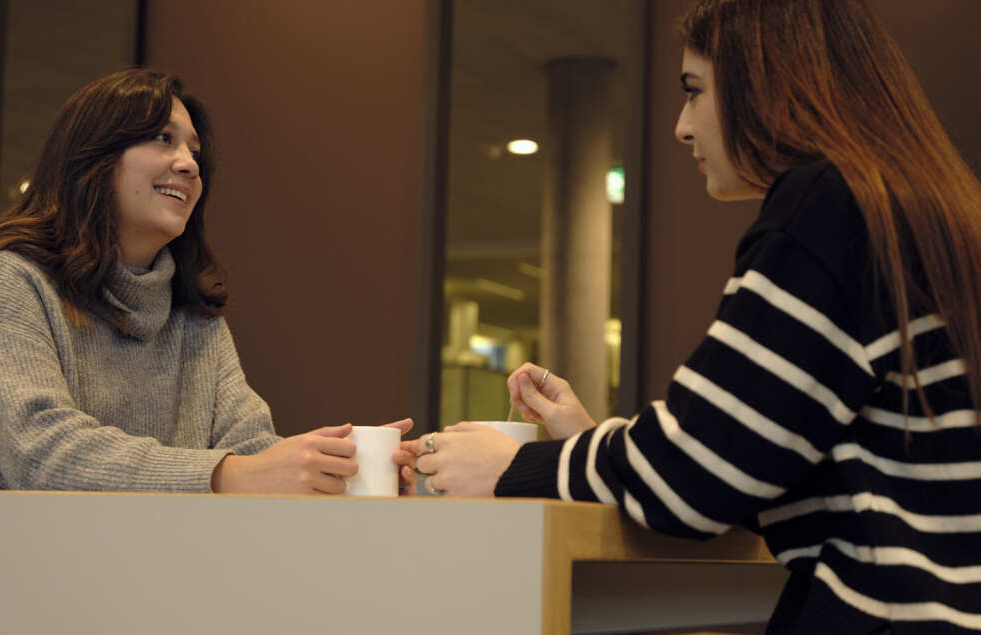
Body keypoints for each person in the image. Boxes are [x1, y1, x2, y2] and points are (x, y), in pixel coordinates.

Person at [404, 0, 981, 631]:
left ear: (767, 86)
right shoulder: (924, 212)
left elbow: (701, 475)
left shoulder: (827, 205)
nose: (682, 126)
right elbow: (761, 461)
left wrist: (513, 467)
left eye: (695, 91)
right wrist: (597, 443)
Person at [0, 68, 413, 635]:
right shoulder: (9, 279)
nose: (190, 164)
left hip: (111, 588)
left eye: (194, 150)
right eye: (163, 139)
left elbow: (250, 450)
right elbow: (39, 453)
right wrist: (233, 474)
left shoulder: (193, 318)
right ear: (93, 158)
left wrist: (336, 472)